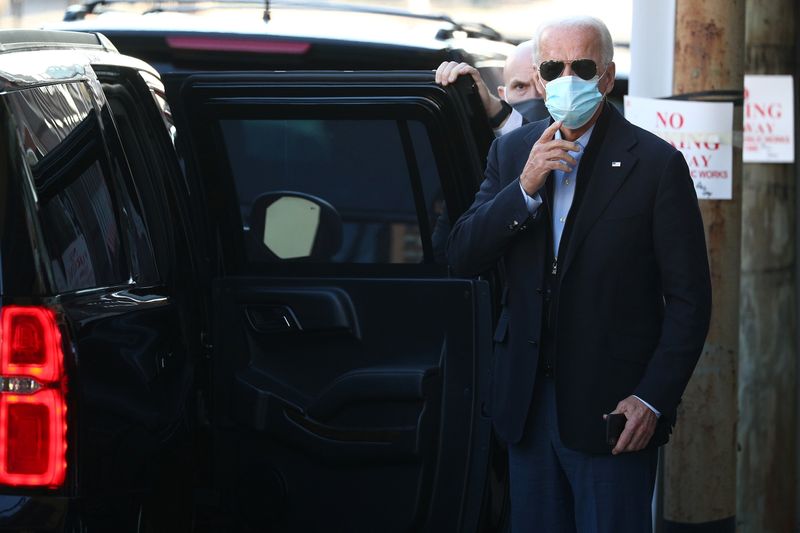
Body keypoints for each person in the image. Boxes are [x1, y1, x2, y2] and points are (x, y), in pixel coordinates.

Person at [446, 15, 712, 533]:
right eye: (554, 67)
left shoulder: (656, 165)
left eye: (582, 66)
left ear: (606, 77)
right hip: (527, 406)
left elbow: (690, 301)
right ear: (540, 80)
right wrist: (523, 187)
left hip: (612, 412)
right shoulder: (511, 151)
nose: (567, 78)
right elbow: (462, 253)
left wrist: (653, 399)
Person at [435, 40, 548, 137]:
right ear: (503, 95)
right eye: (520, 87)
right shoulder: (479, 145)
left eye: (543, 83)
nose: (534, 94)